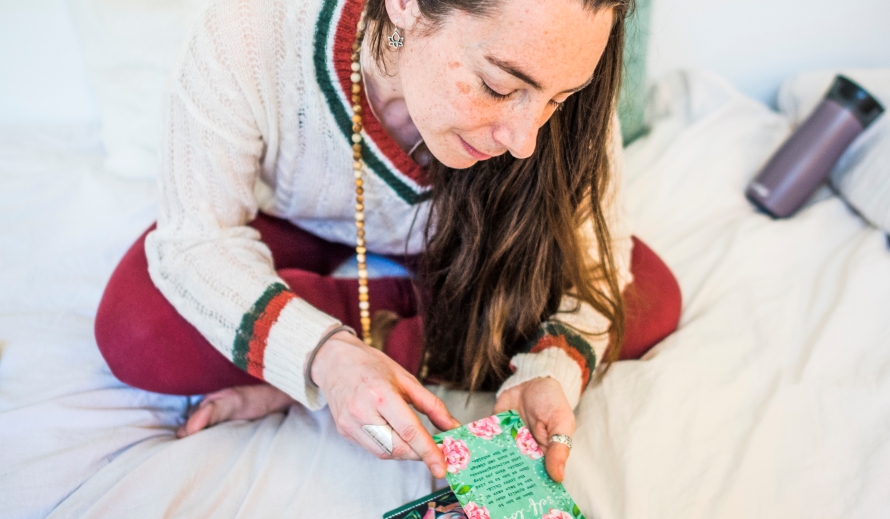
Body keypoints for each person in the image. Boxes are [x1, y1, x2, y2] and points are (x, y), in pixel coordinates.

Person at [94, 0, 681, 483]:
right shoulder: (249, 31)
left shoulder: (560, 58)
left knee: (649, 296)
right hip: (298, 221)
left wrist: (549, 369)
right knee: (139, 328)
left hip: (466, 244)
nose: (525, 141)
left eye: (558, 100)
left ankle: (357, 351)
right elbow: (197, 239)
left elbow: (602, 260)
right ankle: (386, 348)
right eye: (498, 86)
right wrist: (325, 360)